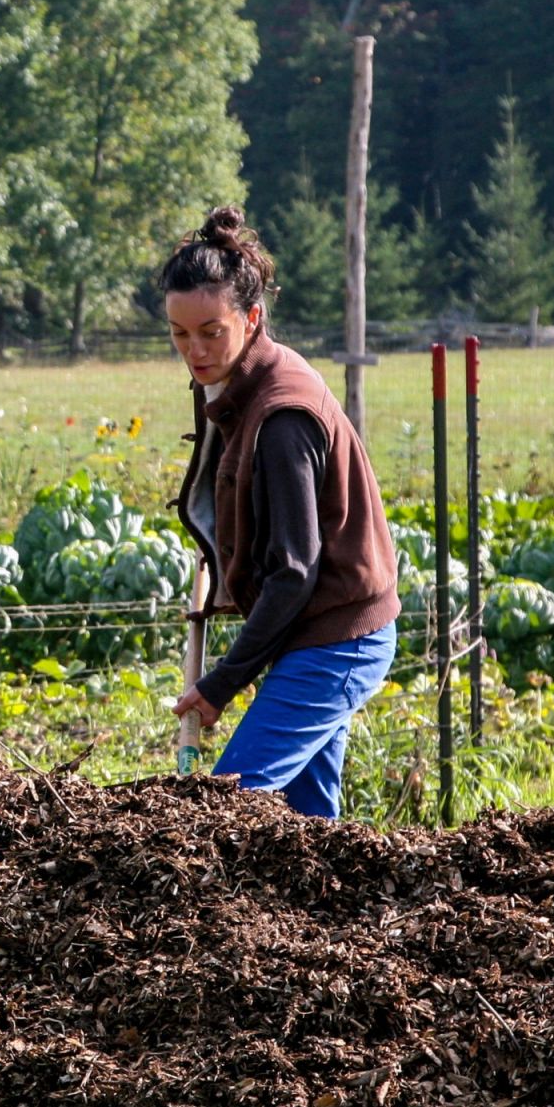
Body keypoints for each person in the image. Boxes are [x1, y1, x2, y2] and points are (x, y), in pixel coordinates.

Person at [165, 206, 399, 818]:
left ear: (252, 318)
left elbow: (296, 570)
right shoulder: (241, 381)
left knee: (232, 809)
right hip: (314, 630)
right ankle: (337, 915)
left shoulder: (282, 416)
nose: (195, 350)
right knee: (305, 824)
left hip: (338, 637)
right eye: (180, 334)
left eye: (211, 332)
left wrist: (219, 685)